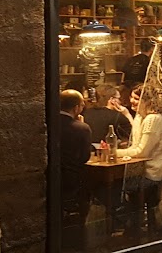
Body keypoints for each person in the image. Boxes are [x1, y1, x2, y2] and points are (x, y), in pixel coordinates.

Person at [117, 90, 162, 230]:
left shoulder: (153, 119)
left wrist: (114, 152)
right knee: (119, 185)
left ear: (147, 101)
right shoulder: (140, 117)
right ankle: (130, 226)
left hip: (152, 172)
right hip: (140, 169)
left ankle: (131, 228)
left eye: (136, 98)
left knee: (121, 187)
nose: (132, 101)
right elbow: (136, 142)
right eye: (131, 97)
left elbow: (142, 151)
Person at [60, 90, 92, 237]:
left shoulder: (48, 122)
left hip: (52, 177)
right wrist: (82, 125)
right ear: (76, 108)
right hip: (72, 180)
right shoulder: (81, 128)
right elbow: (84, 157)